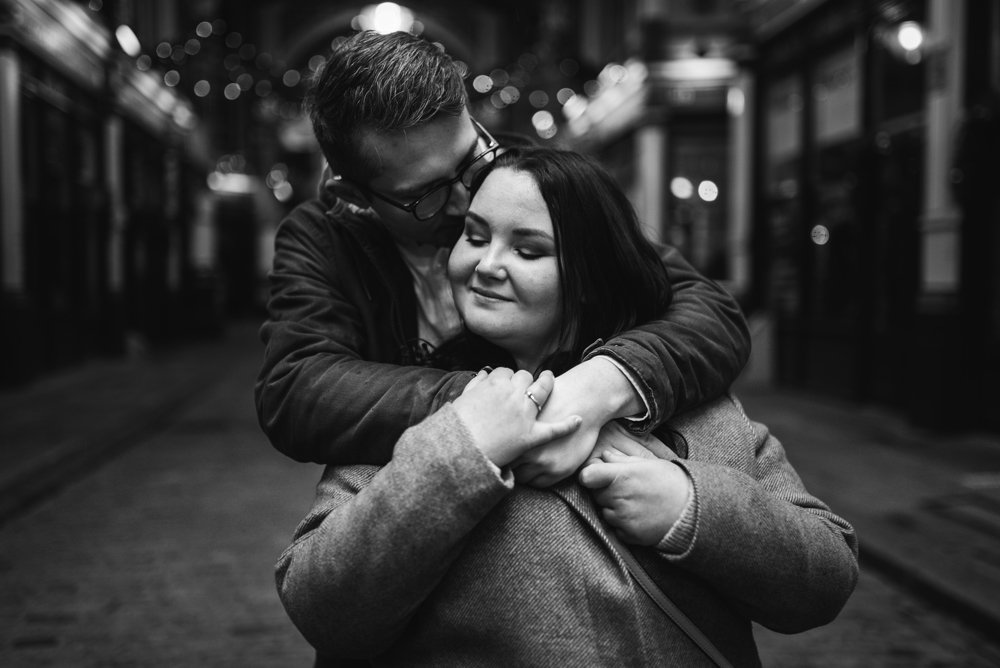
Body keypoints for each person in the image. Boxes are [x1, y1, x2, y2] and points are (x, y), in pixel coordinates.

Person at [275, 147, 859, 666]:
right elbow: (322, 608)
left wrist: (690, 507)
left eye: (527, 250)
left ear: (588, 279)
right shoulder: (410, 403)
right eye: (474, 236)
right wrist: (460, 451)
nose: (485, 265)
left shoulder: (692, 407)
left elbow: (825, 578)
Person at [253, 30, 750, 486]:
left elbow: (708, 310)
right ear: (354, 194)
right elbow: (298, 392)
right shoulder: (321, 237)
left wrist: (598, 387)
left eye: (472, 159)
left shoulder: (531, 178)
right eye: (426, 195)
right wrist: (511, 411)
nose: (467, 196)